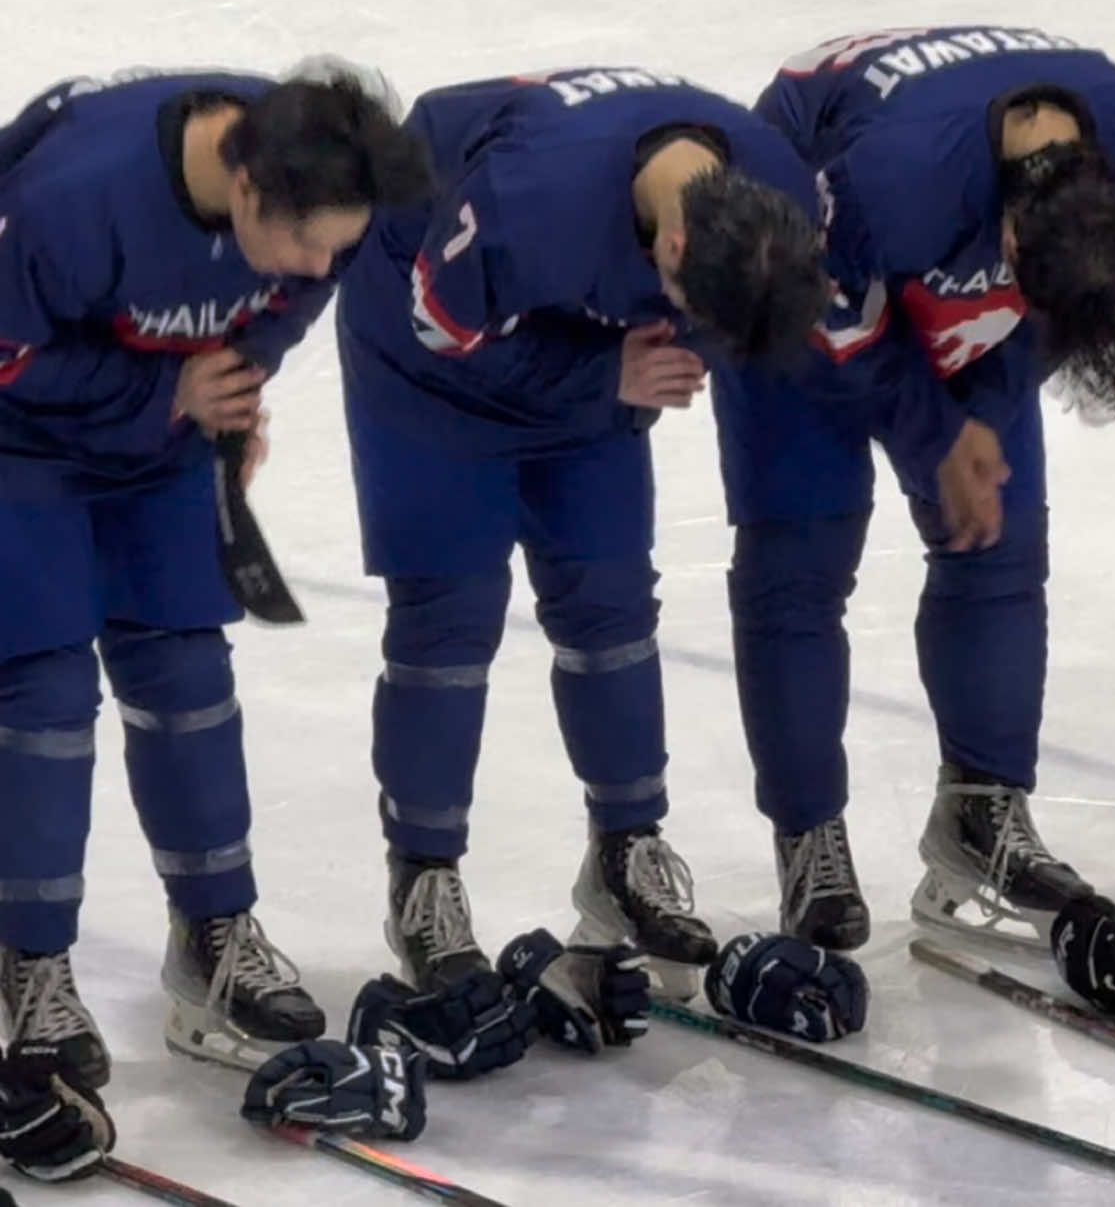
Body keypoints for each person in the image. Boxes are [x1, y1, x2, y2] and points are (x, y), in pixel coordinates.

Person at [336, 64, 829, 1053]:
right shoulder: (529, 202)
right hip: (429, 351)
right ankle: (424, 879)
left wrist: (623, 367)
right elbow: (442, 330)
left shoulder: (772, 190)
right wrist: (605, 371)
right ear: (676, 243)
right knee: (448, 615)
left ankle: (627, 849)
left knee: (608, 599)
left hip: (587, 340)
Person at [0, 56, 430, 1093]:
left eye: (342, 244)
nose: (325, 267)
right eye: (306, 243)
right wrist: (169, 385)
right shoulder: (72, 203)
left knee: (186, 673)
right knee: (46, 692)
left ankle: (212, 933)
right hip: (21, 446)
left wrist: (231, 384)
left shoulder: (310, 177)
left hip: (161, 434)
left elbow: (284, 304)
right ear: (244, 189)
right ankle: (31, 964)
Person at [712, 25, 1115, 950]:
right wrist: (938, 430)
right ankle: (810, 835)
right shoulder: (891, 185)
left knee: (997, 535)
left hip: (937, 222)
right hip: (802, 254)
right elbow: (830, 323)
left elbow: (1060, 321)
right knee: (802, 552)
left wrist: (985, 406)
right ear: (1006, 236)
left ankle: (979, 815)